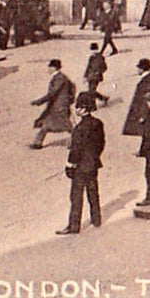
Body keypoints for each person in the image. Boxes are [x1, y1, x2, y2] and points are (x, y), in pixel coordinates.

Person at [58, 94, 105, 234]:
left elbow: (75, 150)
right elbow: (101, 144)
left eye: (78, 107)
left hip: (80, 167)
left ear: (84, 109)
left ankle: (74, 226)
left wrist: (70, 164)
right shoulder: (97, 123)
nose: (76, 109)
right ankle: (96, 219)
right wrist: (94, 157)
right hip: (93, 164)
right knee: (93, 192)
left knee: (76, 196)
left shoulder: (80, 128)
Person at [29, 59, 76, 150]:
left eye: (49, 67)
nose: (48, 69)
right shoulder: (60, 77)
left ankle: (77, 140)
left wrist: (39, 101)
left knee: (68, 125)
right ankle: (37, 143)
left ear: (54, 68)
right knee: (46, 124)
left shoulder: (59, 78)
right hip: (56, 105)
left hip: (59, 106)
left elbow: (52, 93)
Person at [123, 58, 150, 136]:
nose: (137, 70)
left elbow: (148, 98)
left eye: (138, 68)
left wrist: (143, 115)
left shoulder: (148, 80)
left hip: (145, 112)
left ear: (142, 69)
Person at [82, 43, 108, 107]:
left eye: (94, 50)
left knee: (92, 91)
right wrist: (85, 76)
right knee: (91, 91)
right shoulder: (91, 58)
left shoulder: (100, 57)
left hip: (96, 77)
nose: (93, 52)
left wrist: (98, 72)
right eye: (92, 50)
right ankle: (103, 98)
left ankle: (93, 106)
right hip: (90, 77)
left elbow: (104, 67)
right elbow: (88, 67)